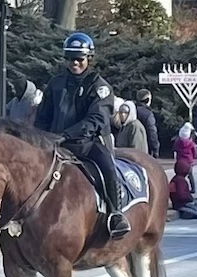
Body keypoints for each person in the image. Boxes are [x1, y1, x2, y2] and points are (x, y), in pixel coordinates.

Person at [35, 32, 130, 239]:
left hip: (89, 142)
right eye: (70, 59)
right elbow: (43, 115)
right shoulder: (55, 83)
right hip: (56, 142)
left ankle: (116, 214)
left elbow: (95, 120)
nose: (74, 63)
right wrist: (40, 137)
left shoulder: (100, 86)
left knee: (109, 169)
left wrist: (66, 135)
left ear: (89, 59)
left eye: (79, 59)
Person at [174, 122, 197, 194]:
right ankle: (193, 188)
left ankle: (179, 188)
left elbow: (175, 149)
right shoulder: (191, 143)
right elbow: (195, 151)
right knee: (190, 175)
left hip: (180, 161)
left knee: (180, 176)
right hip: (189, 161)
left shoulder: (178, 142)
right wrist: (194, 158)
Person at [135, 89, 160, 158]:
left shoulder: (132, 110)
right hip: (145, 148)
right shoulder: (148, 114)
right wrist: (155, 149)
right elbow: (152, 132)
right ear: (148, 100)